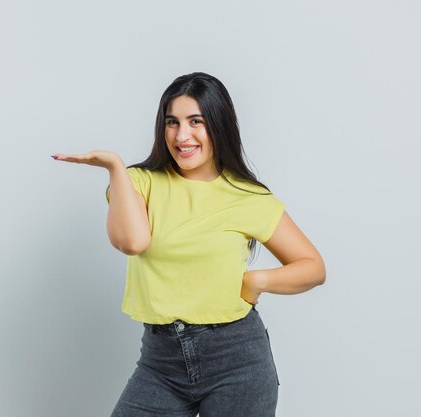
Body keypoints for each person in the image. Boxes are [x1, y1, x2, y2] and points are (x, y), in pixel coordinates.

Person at [51, 72, 326, 417]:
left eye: (196, 121)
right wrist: (115, 167)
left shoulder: (248, 196)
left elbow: (313, 267)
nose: (182, 136)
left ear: (219, 125)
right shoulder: (137, 182)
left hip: (237, 359)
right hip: (160, 363)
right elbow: (132, 242)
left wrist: (256, 281)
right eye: (172, 122)